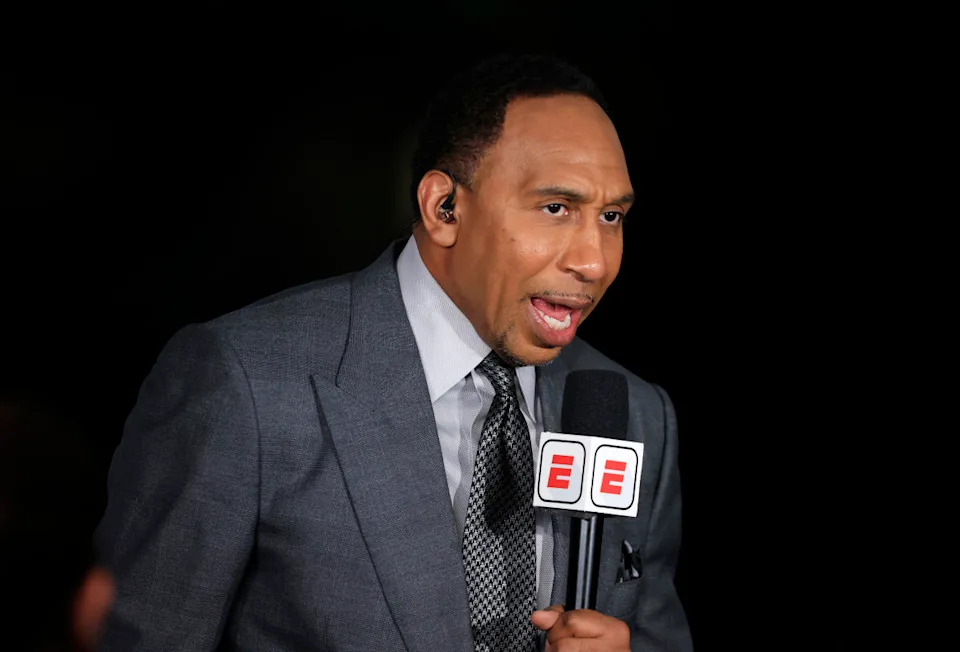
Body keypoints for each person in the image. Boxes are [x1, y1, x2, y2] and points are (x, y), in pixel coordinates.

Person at [94, 53, 692, 651]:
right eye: (556, 209)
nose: (593, 260)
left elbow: (659, 634)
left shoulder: (637, 413)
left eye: (611, 216)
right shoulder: (244, 381)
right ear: (444, 209)